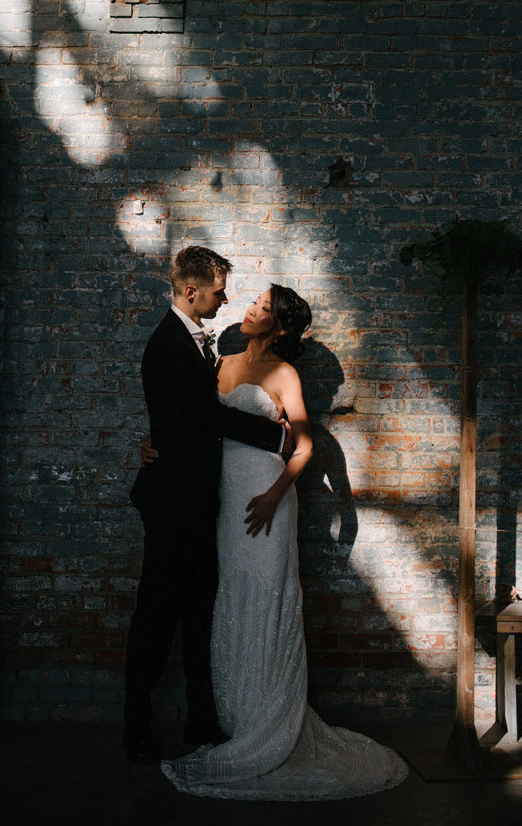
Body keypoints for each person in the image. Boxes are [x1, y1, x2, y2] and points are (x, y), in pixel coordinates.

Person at [159, 282, 409, 800]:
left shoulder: (284, 373)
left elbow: (304, 442)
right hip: (226, 498)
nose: (250, 310)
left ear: (282, 325)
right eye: (253, 302)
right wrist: (154, 441)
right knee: (233, 596)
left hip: (266, 497)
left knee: (268, 594)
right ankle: (240, 714)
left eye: (264, 308)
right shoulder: (224, 363)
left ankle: (271, 721)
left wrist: (276, 494)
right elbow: (194, 419)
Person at [123, 245, 292, 764]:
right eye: (218, 291)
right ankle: (134, 731)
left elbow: (183, 421)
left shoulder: (198, 343)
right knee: (157, 615)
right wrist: (277, 438)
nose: (225, 299)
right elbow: (206, 417)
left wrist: (157, 438)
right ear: (191, 291)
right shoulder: (167, 346)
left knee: (199, 615)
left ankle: (200, 719)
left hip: (200, 503)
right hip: (173, 504)